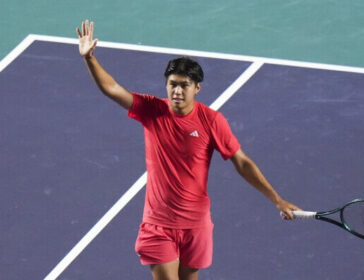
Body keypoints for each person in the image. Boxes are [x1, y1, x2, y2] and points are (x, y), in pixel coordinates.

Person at [76, 20, 300, 280]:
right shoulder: (151, 110)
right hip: (158, 225)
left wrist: (276, 199)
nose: (177, 90)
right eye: (173, 84)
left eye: (184, 85)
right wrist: (89, 58)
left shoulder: (212, 121)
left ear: (197, 88)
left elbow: (242, 162)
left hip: (196, 225)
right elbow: (112, 88)